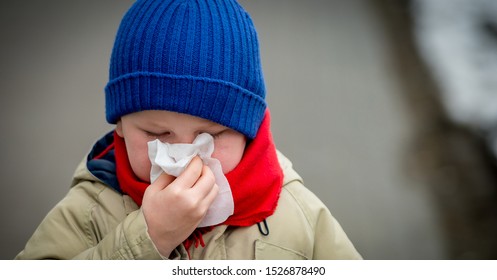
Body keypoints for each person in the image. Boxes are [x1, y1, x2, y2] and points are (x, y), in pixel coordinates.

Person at [15, 0, 361, 260]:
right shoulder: (89, 212)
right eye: (157, 134)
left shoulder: (297, 213)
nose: (184, 158)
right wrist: (147, 238)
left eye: (212, 135)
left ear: (248, 130)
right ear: (120, 125)